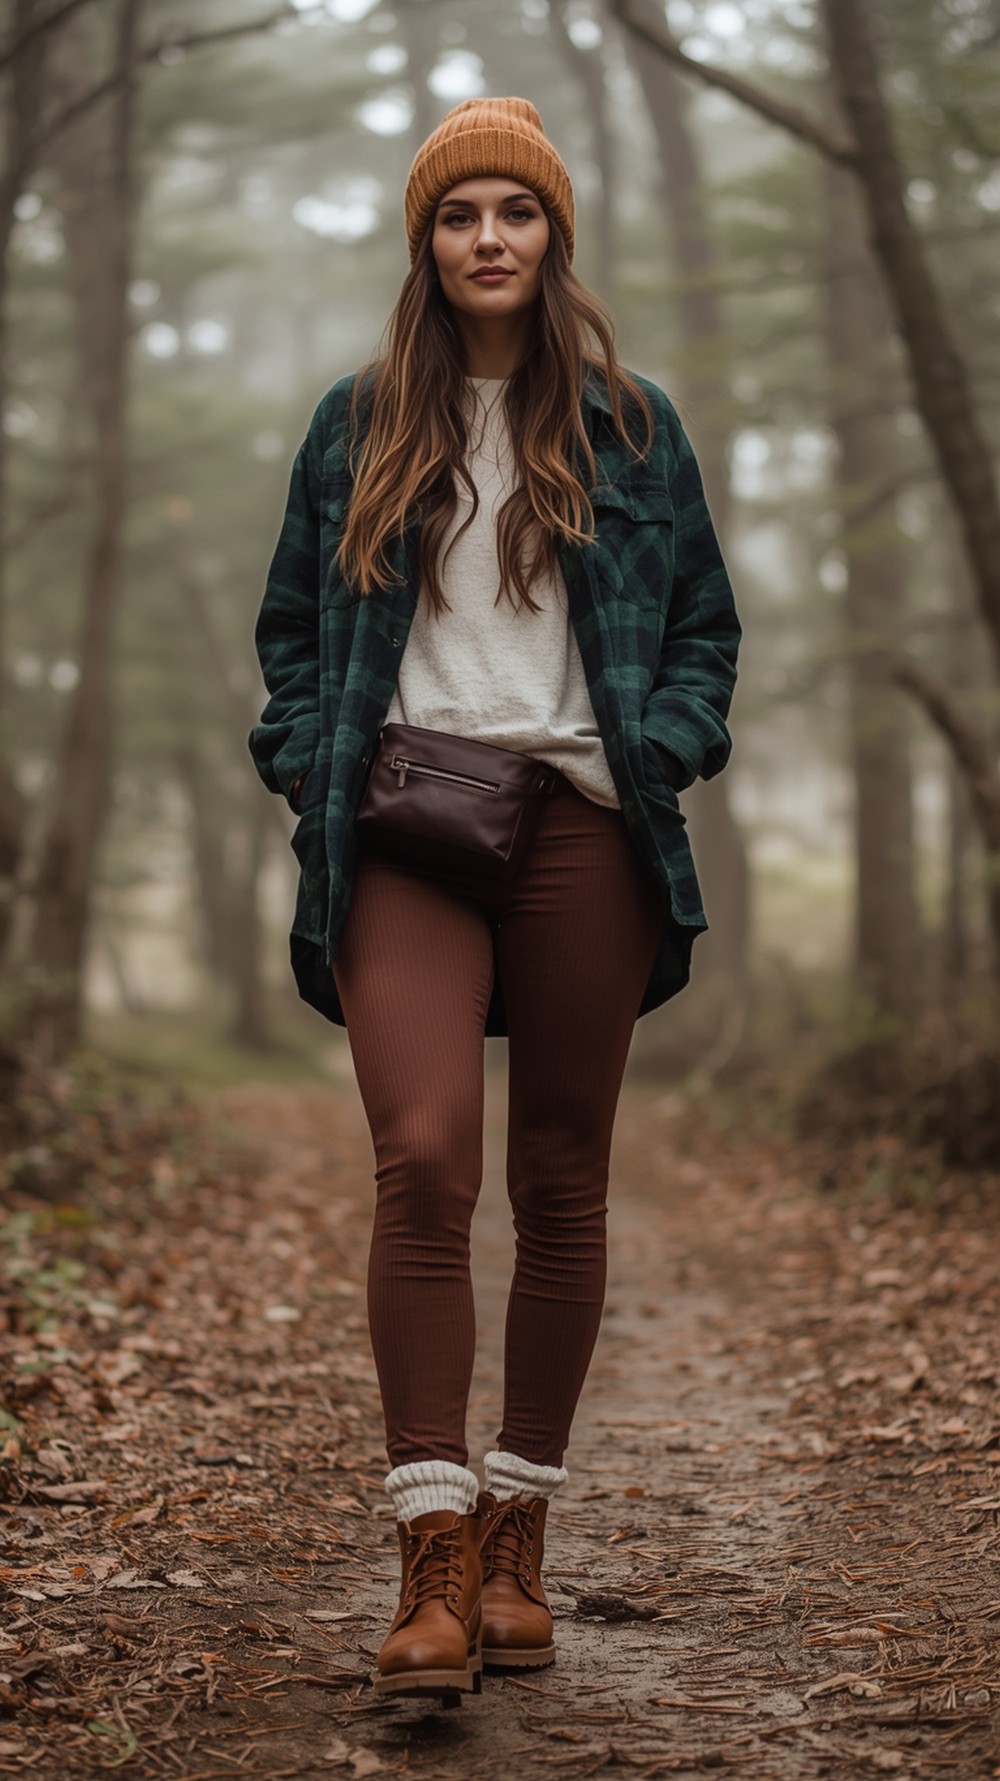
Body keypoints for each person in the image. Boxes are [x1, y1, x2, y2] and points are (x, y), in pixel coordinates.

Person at [249, 96, 740, 1701]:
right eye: (459, 216)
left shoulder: (627, 423)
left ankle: (522, 1532)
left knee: (563, 1173)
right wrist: (302, 755)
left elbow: (704, 638)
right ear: (425, 240)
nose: (488, 241)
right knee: (425, 1156)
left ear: (554, 235)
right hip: (403, 827)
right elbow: (293, 637)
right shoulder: (356, 423)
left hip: (585, 828)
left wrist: (652, 753)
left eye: (514, 214)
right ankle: (431, 1563)